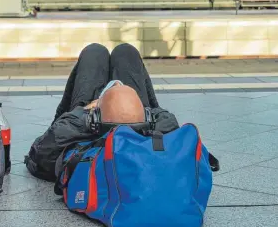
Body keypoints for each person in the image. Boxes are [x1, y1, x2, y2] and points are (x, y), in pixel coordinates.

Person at [25, 43, 179, 181]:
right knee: (126, 51)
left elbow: (38, 155)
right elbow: (167, 119)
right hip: (140, 125)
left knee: (94, 51)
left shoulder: (73, 129)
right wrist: (141, 113)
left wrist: (86, 112)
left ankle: (108, 106)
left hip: (91, 129)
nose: (116, 84)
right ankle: (130, 106)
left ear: (97, 114)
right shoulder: (162, 129)